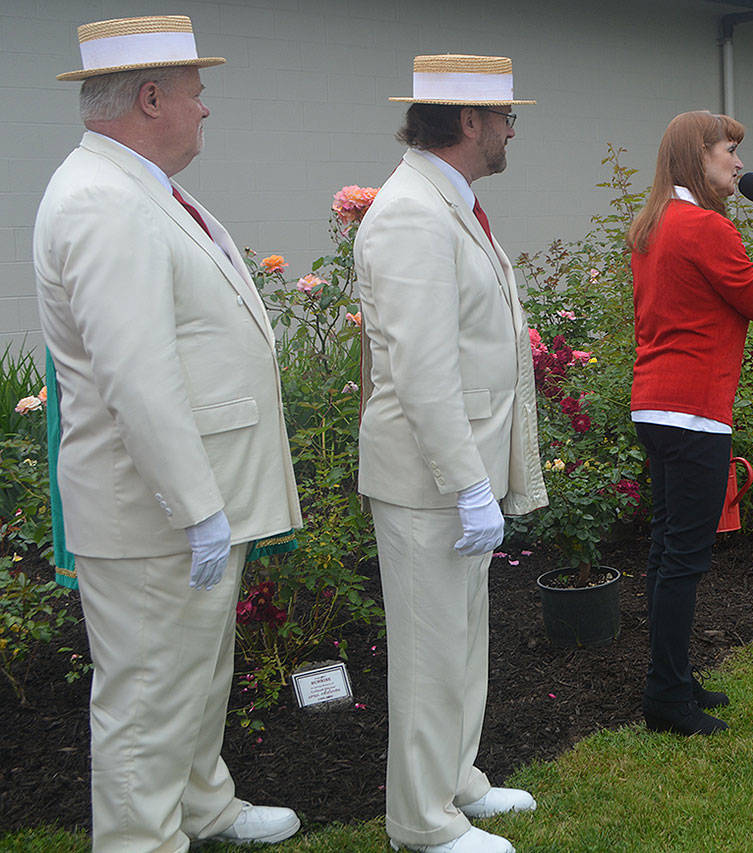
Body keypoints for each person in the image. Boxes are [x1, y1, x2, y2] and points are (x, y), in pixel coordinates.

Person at [33, 15, 304, 851]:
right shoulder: (102, 202)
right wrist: (196, 508)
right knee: (148, 700)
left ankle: (202, 805)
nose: (204, 109)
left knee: (192, 675)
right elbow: (136, 378)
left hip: (180, 501)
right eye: (195, 92)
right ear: (151, 98)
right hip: (153, 509)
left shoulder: (134, 187)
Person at [355, 54, 548, 853]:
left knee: (462, 638)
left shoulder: (448, 204)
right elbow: (425, 369)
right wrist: (469, 483)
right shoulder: (412, 212)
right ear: (470, 123)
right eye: (506, 117)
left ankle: (456, 777)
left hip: (456, 471)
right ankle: (421, 821)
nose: (510, 131)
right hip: (429, 475)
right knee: (431, 652)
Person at [628, 110, 753, 736]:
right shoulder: (704, 228)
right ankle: (666, 699)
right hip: (694, 411)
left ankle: (670, 680)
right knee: (684, 558)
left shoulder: (653, 223)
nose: (737, 161)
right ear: (694, 157)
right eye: (726, 149)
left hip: (655, 404)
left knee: (665, 551)